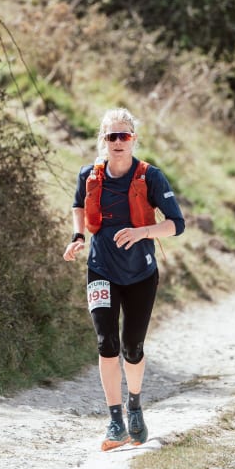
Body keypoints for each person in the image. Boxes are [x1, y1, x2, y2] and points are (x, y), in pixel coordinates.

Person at [62, 108, 185, 451]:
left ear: (133, 139)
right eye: (111, 136)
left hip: (140, 273)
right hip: (100, 269)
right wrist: (78, 237)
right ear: (103, 139)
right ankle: (115, 420)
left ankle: (134, 407)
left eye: (124, 135)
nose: (118, 142)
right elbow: (78, 206)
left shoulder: (150, 177)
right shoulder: (90, 174)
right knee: (106, 344)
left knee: (133, 348)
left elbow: (176, 224)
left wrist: (141, 231)